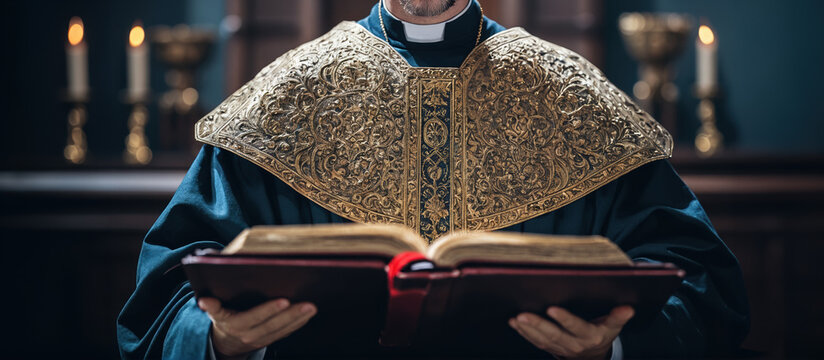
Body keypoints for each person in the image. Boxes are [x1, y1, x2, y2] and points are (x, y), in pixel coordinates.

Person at [117, 0, 749, 358]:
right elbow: (168, 291)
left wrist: (613, 348)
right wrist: (220, 341)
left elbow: (701, 286)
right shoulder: (286, 98)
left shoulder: (570, 97)